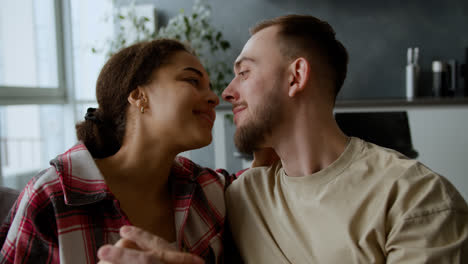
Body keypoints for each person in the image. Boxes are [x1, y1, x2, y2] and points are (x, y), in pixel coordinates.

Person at [102, 15, 468, 264]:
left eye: (244, 72)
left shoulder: (416, 199)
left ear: (296, 77)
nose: (226, 92)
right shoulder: (241, 197)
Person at [0, 39, 234, 264]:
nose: (214, 97)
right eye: (192, 80)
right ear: (138, 96)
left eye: (210, 88)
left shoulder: (208, 190)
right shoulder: (52, 197)